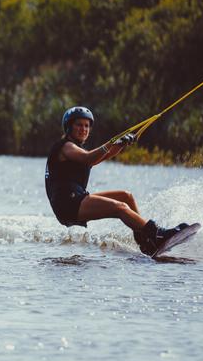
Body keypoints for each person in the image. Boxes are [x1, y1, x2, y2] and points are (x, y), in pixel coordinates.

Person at [44, 106, 186, 255]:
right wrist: (111, 143)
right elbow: (89, 158)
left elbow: (102, 156)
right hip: (67, 204)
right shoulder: (66, 147)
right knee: (120, 208)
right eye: (79, 125)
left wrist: (121, 144)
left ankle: (145, 241)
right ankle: (156, 234)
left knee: (126, 197)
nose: (83, 129)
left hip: (76, 198)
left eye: (86, 126)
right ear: (69, 127)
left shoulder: (76, 150)